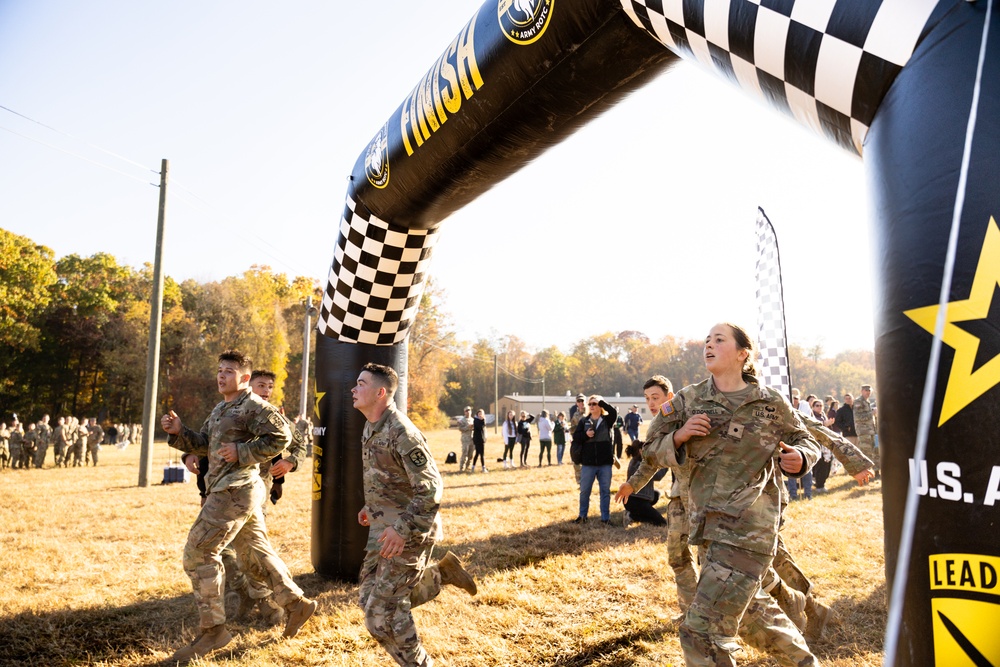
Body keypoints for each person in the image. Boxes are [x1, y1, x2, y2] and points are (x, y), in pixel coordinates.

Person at [617, 323, 821, 666]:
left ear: (743, 353)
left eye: (719, 340)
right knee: (755, 619)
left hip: (749, 533)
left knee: (701, 633)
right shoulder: (687, 400)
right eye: (706, 341)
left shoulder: (770, 403)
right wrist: (679, 437)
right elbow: (649, 450)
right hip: (705, 530)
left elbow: (807, 440)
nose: (708, 345)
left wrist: (800, 458)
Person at [161, 350, 316, 663]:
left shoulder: (254, 405)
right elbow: (206, 442)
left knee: (199, 552)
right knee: (255, 555)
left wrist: (243, 451)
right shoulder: (221, 407)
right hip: (230, 489)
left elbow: (282, 435)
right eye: (219, 370)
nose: (221, 376)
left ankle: (213, 631)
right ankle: (296, 604)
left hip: (236, 491)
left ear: (245, 378)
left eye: (229, 371)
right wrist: (180, 433)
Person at [352, 362, 477, 667]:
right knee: (368, 601)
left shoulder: (402, 432)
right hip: (383, 527)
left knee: (380, 615)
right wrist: (373, 507)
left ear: (380, 392)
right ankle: (439, 574)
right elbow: (389, 477)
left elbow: (431, 489)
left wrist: (402, 529)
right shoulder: (371, 425)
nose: (353, 389)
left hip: (409, 532)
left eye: (361, 383)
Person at [572, 395, 618, 525]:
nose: (591, 406)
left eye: (594, 404)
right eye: (590, 404)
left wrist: (602, 402)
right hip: (588, 463)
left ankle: (605, 518)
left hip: (605, 464)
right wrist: (585, 435)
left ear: (600, 406)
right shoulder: (583, 421)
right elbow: (576, 437)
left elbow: (614, 412)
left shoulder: (607, 420)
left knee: (605, 492)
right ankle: (582, 516)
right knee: (584, 491)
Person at [621, 440, 667, 527]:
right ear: (640, 451)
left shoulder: (634, 461)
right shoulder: (639, 465)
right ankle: (632, 516)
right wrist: (666, 464)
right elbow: (658, 476)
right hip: (636, 500)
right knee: (661, 522)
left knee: (656, 494)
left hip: (634, 499)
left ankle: (634, 514)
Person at [854, 384, 879, 475]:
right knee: (866, 453)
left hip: (872, 431)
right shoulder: (858, 401)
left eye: (869, 391)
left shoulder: (867, 402)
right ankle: (865, 474)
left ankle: (876, 471)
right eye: (866, 390)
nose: (868, 392)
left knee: (876, 451)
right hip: (864, 432)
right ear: (862, 391)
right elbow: (858, 417)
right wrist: (871, 413)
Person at [456, 406, 475, 473]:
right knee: (465, 453)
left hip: (472, 439)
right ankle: (462, 467)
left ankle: (468, 467)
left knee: (471, 454)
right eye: (467, 411)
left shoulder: (473, 419)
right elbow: (461, 429)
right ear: (464, 412)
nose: (468, 412)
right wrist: (468, 427)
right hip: (465, 439)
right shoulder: (462, 420)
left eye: (469, 410)